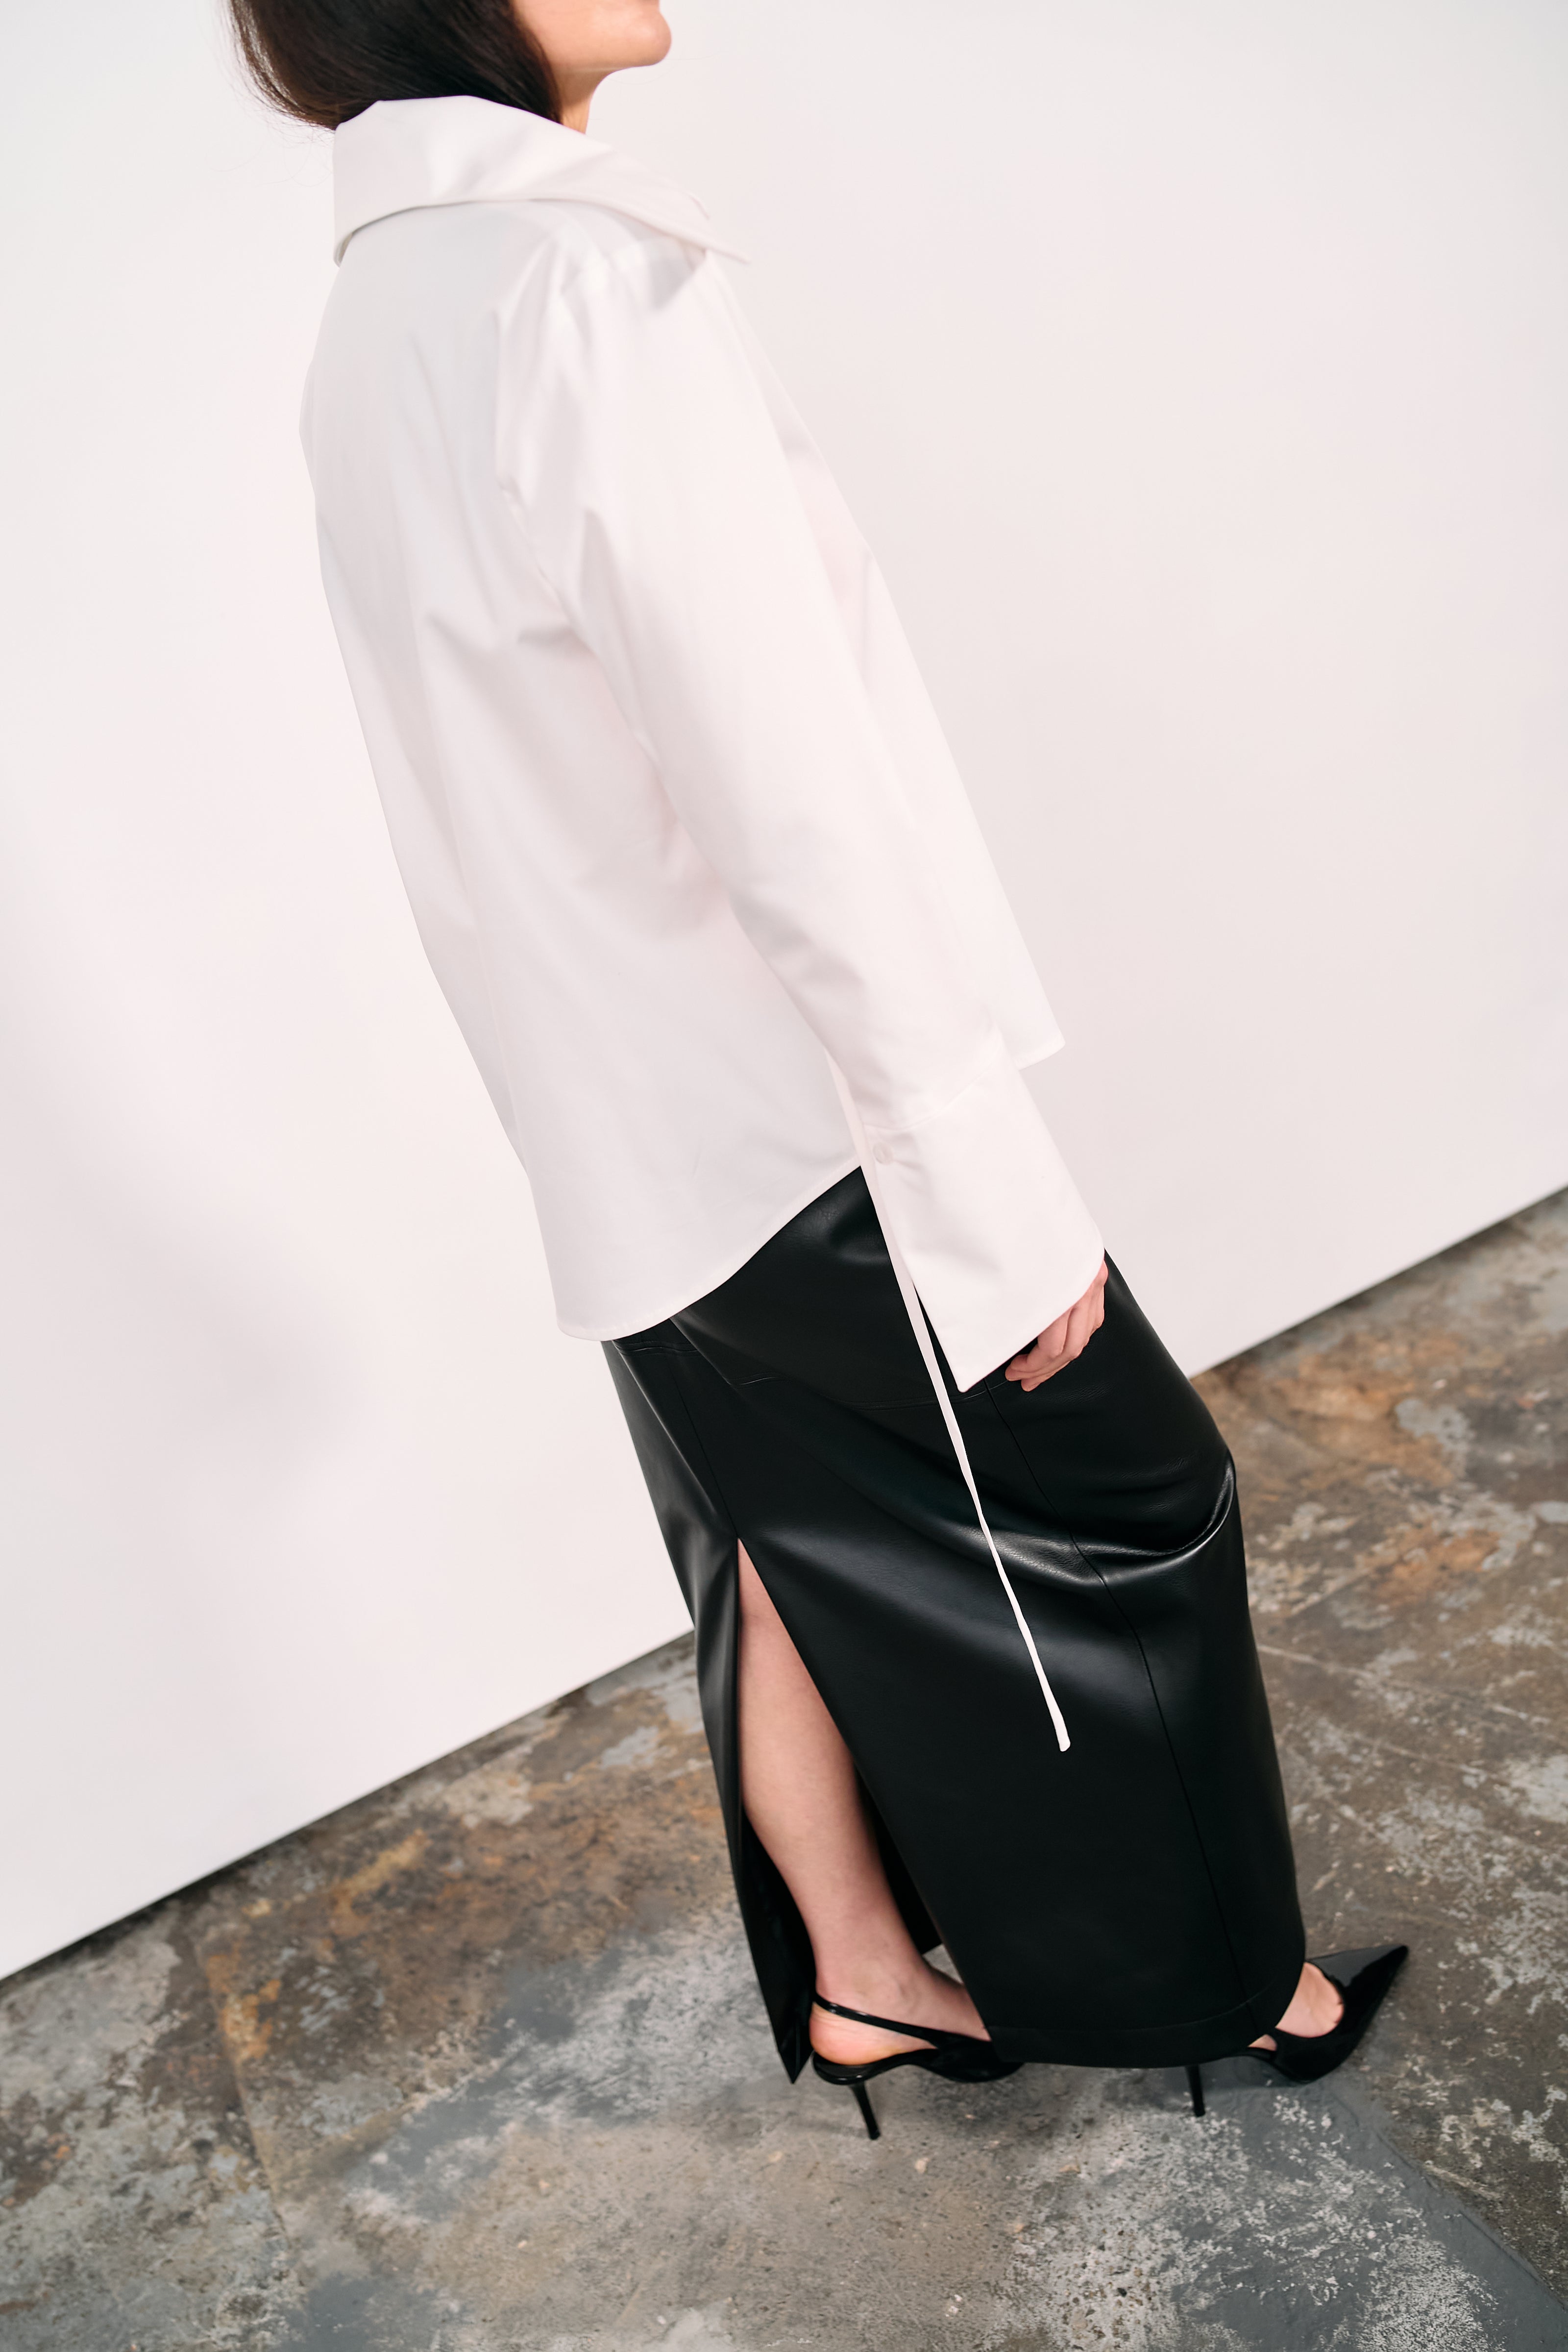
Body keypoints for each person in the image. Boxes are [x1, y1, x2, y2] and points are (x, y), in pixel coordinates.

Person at [229, 0, 1404, 2136]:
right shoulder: (585, 280)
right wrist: (979, 1172)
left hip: (615, 1132)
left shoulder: (377, 305)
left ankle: (863, 1980)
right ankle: (1237, 1985)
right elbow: (790, 795)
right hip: (789, 1123)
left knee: (792, 1546)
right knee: (1135, 1507)